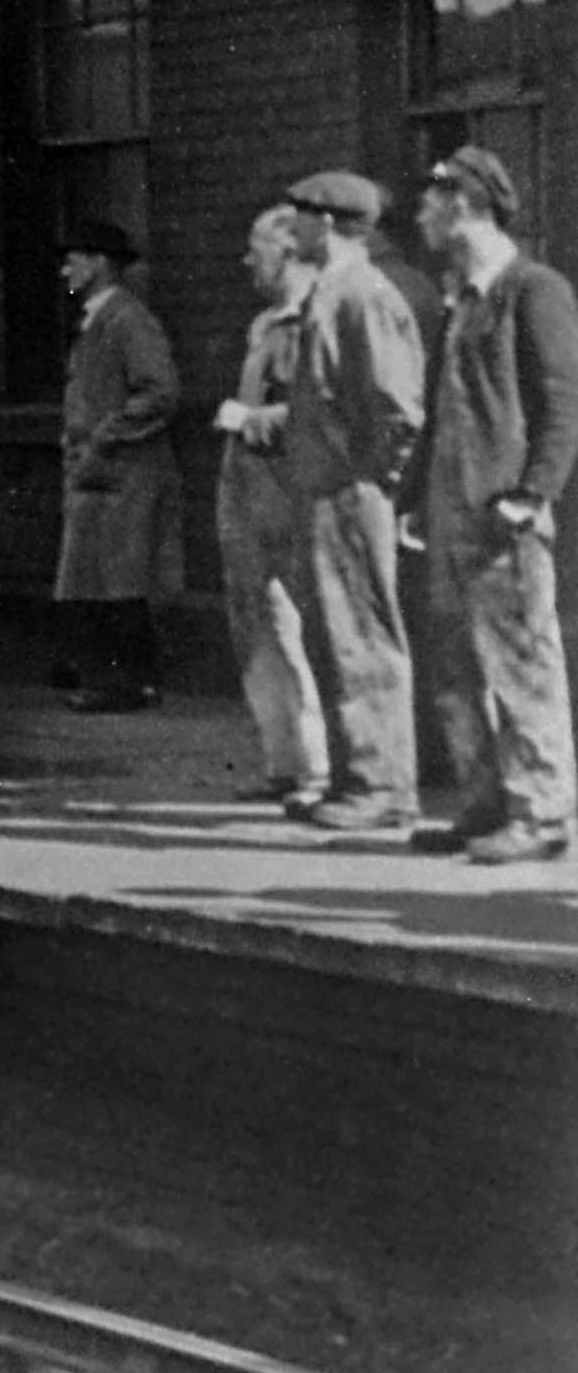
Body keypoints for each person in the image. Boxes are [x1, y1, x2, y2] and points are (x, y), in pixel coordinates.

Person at [403, 146, 578, 864]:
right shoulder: (462, 299)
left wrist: (533, 494)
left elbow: (563, 407)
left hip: (503, 516)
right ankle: (485, 804)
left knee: (521, 664)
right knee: (456, 670)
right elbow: (443, 414)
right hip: (450, 518)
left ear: (465, 206)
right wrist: (413, 497)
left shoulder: (532, 290)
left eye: (430, 204)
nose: (420, 217)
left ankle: (541, 811)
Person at [260, 170, 427, 832]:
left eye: (299, 214)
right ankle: (359, 777)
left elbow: (397, 409)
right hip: (325, 489)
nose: (290, 225)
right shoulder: (333, 290)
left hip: (348, 493)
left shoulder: (363, 293)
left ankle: (383, 785)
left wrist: (372, 480)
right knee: (337, 636)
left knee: (363, 637)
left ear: (328, 222)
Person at [213, 204, 327, 807]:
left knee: (303, 629)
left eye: (256, 249)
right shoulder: (263, 325)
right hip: (248, 495)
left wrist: (253, 421)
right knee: (257, 628)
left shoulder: (317, 320)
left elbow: (321, 413)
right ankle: (282, 762)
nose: (247, 261)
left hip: (293, 492)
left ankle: (320, 770)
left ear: (285, 253)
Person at [51, 219, 183, 712]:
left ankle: (124, 684)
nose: (64, 269)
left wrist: (106, 436)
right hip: (101, 476)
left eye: (73, 259)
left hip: (126, 475)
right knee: (99, 580)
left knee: (120, 582)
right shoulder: (96, 321)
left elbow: (160, 392)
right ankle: (116, 681)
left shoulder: (127, 321)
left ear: (100, 264)